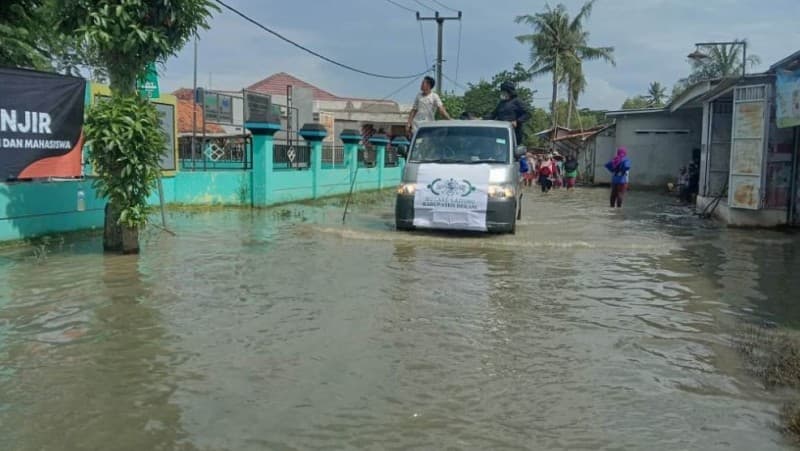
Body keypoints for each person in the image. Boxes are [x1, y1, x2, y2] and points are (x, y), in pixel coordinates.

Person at [489, 81, 530, 146]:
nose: (502, 93)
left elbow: (527, 113)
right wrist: (480, 119)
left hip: (514, 134)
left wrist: (517, 121)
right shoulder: (501, 103)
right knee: (500, 145)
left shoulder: (517, 101)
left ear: (509, 92)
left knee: (512, 149)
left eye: (503, 91)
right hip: (501, 134)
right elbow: (492, 115)